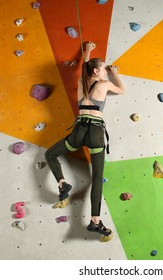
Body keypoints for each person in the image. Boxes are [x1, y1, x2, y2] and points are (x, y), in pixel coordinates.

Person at [45, 41, 124, 240]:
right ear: (97, 71)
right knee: (96, 178)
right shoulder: (105, 84)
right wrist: (115, 73)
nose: (106, 71)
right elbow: (121, 90)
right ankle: (95, 221)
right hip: (96, 133)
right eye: (104, 69)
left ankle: (63, 184)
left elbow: (84, 68)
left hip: (79, 131)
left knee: (50, 154)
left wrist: (87, 52)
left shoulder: (82, 82)